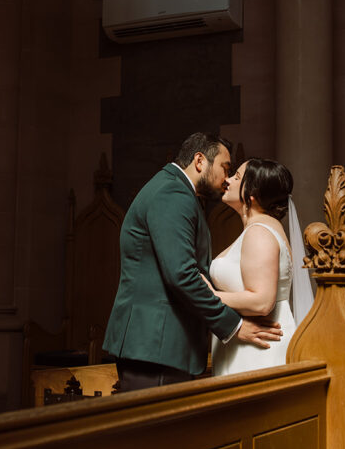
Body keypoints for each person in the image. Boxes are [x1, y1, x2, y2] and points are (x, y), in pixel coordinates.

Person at [103, 133, 283, 392]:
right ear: (200, 161)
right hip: (156, 345)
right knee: (159, 419)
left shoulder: (176, 190)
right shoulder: (173, 193)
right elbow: (182, 275)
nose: (226, 179)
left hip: (163, 345)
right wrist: (233, 326)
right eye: (225, 168)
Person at [208, 158, 309, 376]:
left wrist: (210, 295)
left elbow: (262, 302)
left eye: (236, 177)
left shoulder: (259, 232)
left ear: (252, 193)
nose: (227, 180)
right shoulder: (258, 229)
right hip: (248, 343)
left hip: (257, 348)